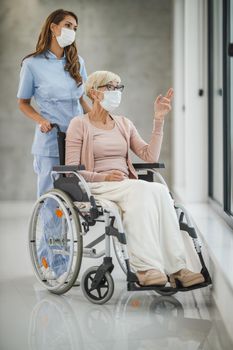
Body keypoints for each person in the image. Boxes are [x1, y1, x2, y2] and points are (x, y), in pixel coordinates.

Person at [65, 70, 205, 287]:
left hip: (124, 185)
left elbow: (150, 156)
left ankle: (177, 268)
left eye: (118, 87)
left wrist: (158, 120)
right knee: (140, 190)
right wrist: (103, 176)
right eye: (110, 87)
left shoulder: (124, 123)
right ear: (94, 93)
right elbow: (70, 170)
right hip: (96, 184)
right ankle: (146, 268)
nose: (116, 92)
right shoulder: (79, 124)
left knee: (159, 191)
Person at [17, 9, 90, 278]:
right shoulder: (32, 64)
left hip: (76, 141)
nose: (73, 30)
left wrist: (97, 117)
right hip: (50, 142)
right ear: (53, 28)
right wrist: (40, 120)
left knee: (75, 204)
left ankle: (68, 261)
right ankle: (52, 267)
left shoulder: (77, 62)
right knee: (53, 207)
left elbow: (82, 100)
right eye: (68, 25)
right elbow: (23, 103)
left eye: (76, 27)